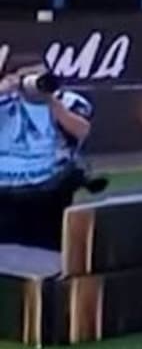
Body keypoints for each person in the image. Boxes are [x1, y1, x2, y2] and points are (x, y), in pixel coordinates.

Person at [0, 55, 94, 250]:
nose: (35, 80)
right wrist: (5, 89)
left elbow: (82, 130)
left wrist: (51, 101)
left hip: (50, 190)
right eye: (29, 76)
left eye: (40, 74)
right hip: (5, 193)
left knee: (50, 250)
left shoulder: (66, 100)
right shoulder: (4, 101)